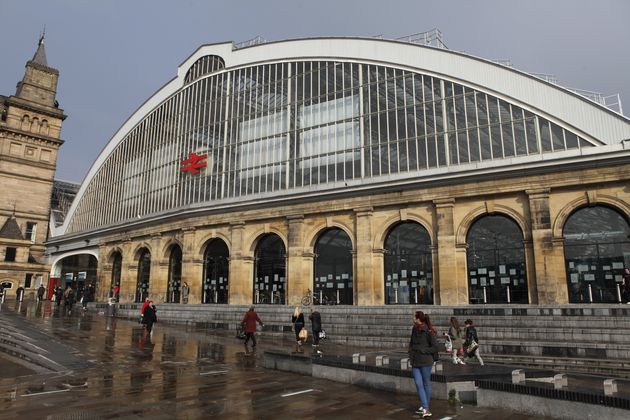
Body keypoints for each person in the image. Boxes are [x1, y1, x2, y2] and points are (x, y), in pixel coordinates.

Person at [409, 310, 439, 418]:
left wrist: (423, 350)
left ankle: (425, 408)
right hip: (415, 361)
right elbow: (411, 343)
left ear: (418, 318)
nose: (412, 318)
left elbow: (435, 347)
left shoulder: (428, 331)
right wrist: (411, 353)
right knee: (418, 383)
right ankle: (424, 405)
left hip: (426, 361)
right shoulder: (414, 329)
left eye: (414, 316)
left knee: (426, 383)